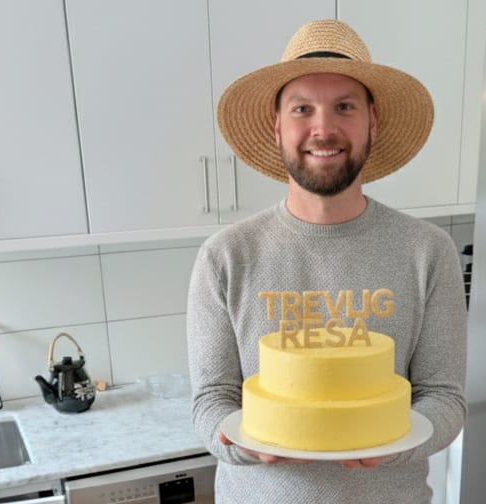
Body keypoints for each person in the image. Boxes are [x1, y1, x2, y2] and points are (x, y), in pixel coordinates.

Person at [186, 19, 468, 503]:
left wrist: (387, 448)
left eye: (344, 107)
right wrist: (249, 447)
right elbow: (211, 402)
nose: (324, 128)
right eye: (302, 109)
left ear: (371, 122)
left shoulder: (428, 250)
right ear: (277, 124)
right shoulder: (225, 257)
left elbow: (445, 397)